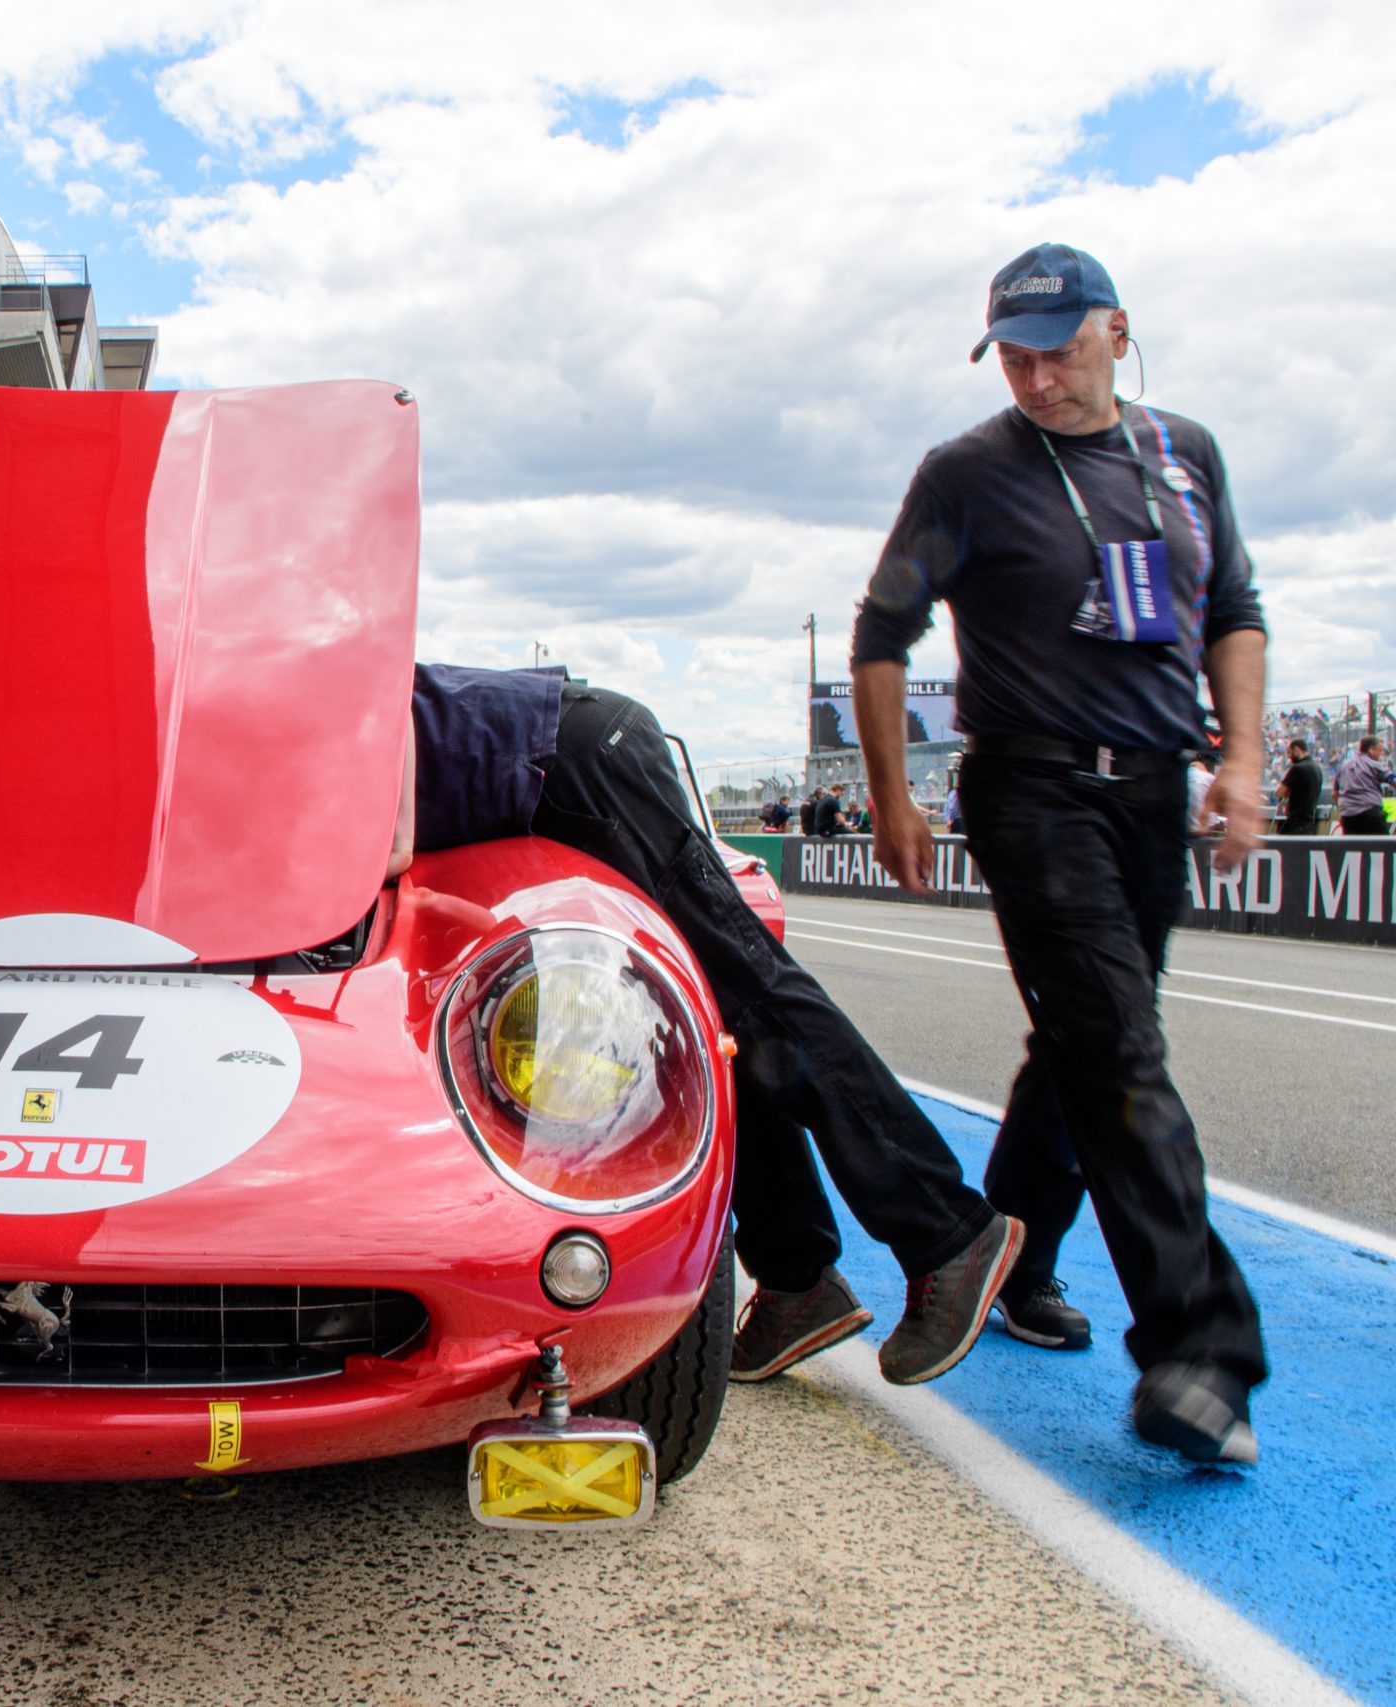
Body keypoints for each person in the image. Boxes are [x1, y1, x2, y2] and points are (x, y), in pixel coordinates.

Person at [855, 242, 1267, 1464]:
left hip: (1150, 794)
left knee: (1087, 1045)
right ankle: (1200, 1354)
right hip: (1029, 788)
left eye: (1056, 352)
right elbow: (882, 634)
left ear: (1117, 332)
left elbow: (1234, 611)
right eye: (1013, 358)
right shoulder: (967, 473)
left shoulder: (1183, 454)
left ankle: (1010, 1258)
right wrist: (893, 798)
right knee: (1121, 1049)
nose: (1034, 380)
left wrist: (1239, 759)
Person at [407, 664, 1023, 1388]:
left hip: (578, 763)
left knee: (756, 991)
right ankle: (796, 1278)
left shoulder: (305, 701)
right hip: (569, 768)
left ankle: (948, 1231)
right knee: (715, 1023)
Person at [1333, 737, 1390, 837]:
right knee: (1383, 848)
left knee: (1354, 849)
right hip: (1370, 813)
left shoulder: (1344, 765)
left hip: (1348, 816)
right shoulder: (1375, 765)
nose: (1381, 753)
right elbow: (1392, 780)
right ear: (1371, 750)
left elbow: (1334, 793)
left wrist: (1342, 811)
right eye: (1379, 750)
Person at [1276, 738, 1323, 835]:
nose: (1288, 757)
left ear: (1296, 750)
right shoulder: (1317, 768)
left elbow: (1279, 792)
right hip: (1309, 825)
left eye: (1289, 752)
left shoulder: (1297, 768)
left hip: (1294, 824)